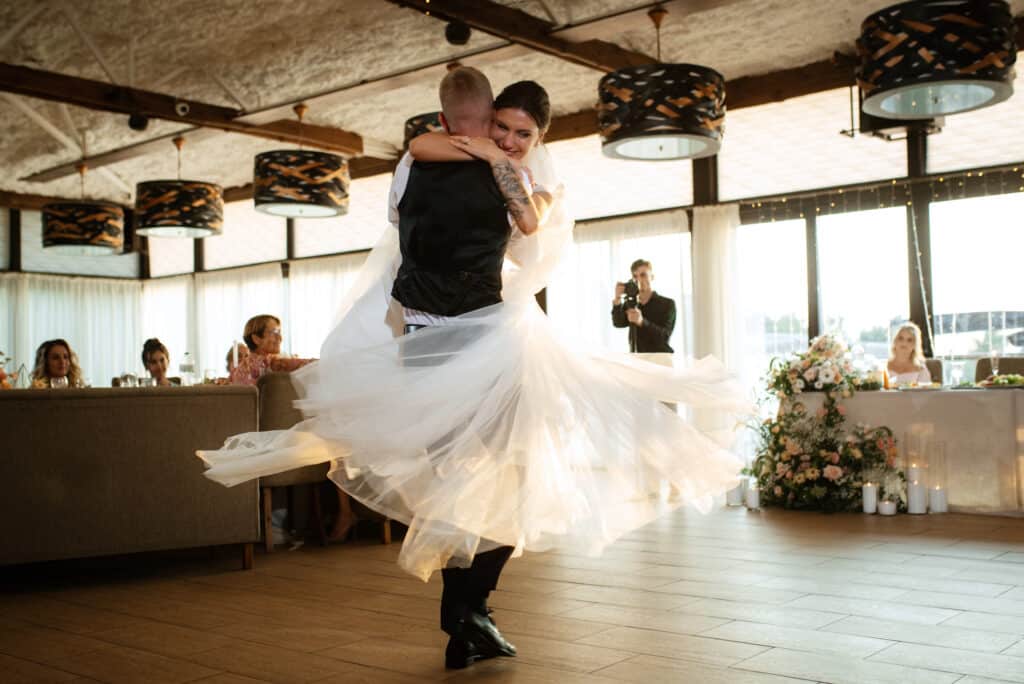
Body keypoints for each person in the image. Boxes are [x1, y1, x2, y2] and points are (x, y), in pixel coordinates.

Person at [199, 69, 746, 670]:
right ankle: (469, 608)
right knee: (478, 486)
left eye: (521, 134)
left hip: (480, 341)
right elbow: (436, 172)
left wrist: (492, 160)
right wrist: (486, 158)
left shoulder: (514, 182)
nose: (508, 140)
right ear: (482, 122)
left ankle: (467, 616)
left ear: (537, 140)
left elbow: (521, 226)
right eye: (500, 128)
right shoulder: (457, 168)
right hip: (446, 344)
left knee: (498, 483)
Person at [612, 259, 676, 353]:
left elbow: (665, 336)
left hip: (661, 359)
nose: (638, 280)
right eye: (635, 276)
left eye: (643, 275)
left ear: (652, 277)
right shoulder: (631, 303)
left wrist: (642, 322)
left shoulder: (668, 304)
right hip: (637, 359)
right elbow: (618, 323)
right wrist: (617, 299)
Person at [229, 315, 313, 386]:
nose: (280, 338)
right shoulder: (269, 362)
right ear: (256, 339)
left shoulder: (239, 368)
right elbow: (311, 364)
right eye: (274, 332)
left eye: (279, 333)